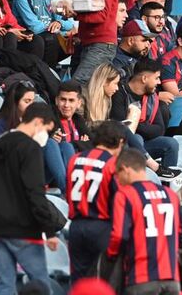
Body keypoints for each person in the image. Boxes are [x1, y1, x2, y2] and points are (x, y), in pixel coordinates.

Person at [0, 103, 66, 295]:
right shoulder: (30, 148)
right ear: (38, 122)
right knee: (40, 284)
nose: (45, 136)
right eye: (46, 130)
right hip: (24, 227)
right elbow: (35, 192)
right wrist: (49, 230)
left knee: (5, 284)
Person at [106, 148, 182, 295]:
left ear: (125, 169)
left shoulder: (125, 195)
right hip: (171, 278)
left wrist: (110, 256)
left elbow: (119, 236)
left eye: (118, 174)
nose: (118, 179)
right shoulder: (170, 195)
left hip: (140, 278)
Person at [65, 120, 125, 282]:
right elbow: (118, 201)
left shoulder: (74, 159)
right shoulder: (113, 164)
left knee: (78, 282)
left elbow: (68, 191)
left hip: (76, 226)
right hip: (101, 227)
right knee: (101, 282)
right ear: (119, 142)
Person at [110, 58, 180, 172]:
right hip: (125, 145)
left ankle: (166, 184)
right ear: (144, 78)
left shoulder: (151, 96)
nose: (159, 82)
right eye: (156, 78)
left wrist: (136, 122)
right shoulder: (119, 93)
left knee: (171, 144)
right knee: (137, 138)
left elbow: (159, 129)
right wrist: (142, 126)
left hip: (144, 144)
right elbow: (122, 127)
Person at [12, 0, 76, 67]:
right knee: (51, 38)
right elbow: (35, 27)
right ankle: (47, 74)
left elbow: (69, 24)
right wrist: (55, 27)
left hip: (51, 40)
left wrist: (59, 23)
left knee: (77, 41)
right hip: (28, 40)